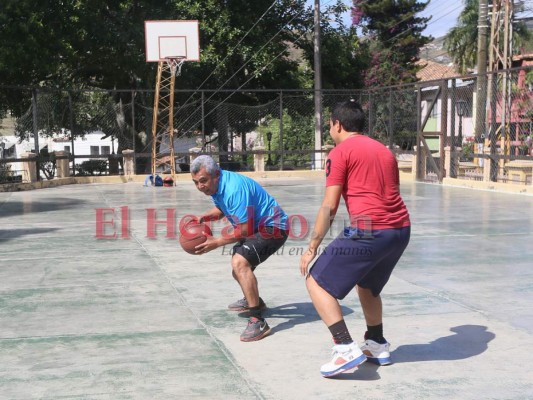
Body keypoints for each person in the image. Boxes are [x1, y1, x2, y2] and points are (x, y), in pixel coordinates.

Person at [299, 100, 411, 378]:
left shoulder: (340, 152)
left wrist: (312, 246)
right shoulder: (384, 151)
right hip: (400, 230)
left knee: (316, 281)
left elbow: (330, 205)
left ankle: (345, 347)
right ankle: (376, 343)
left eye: (330, 124)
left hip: (370, 230)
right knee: (368, 286)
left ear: (337, 124)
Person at [190, 155, 289, 342]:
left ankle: (258, 320)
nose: (200, 186)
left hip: (274, 228)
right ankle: (254, 299)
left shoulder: (233, 189)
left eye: (203, 181)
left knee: (239, 263)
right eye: (196, 183)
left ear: (216, 175)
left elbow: (245, 229)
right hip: (260, 227)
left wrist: (216, 242)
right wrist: (203, 218)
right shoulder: (217, 187)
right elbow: (222, 210)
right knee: (238, 270)